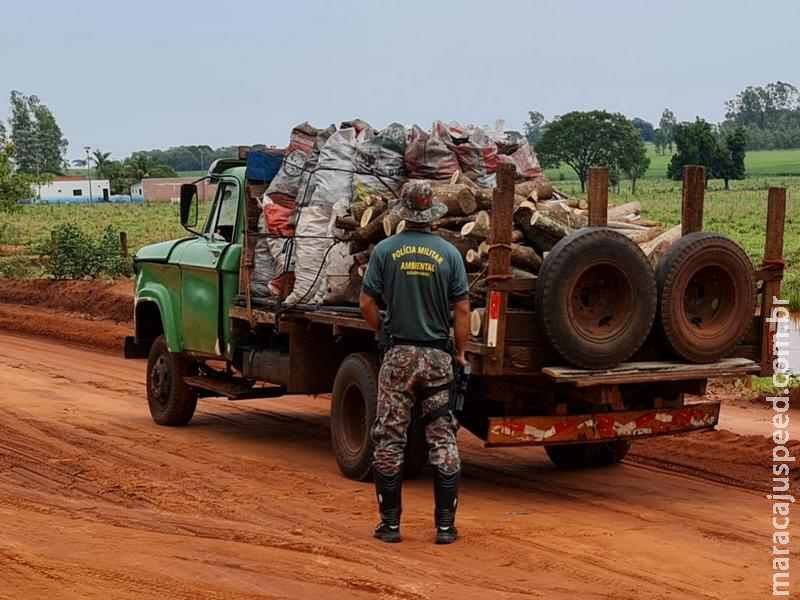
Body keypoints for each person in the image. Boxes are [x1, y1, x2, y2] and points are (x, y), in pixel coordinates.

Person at [359, 182, 470, 545]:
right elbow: (462, 309)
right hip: (437, 358)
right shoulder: (450, 254)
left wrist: (382, 332)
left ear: (404, 213)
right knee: (442, 437)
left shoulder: (385, 250)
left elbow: (366, 303)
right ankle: (445, 527)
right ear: (433, 214)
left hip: (399, 358)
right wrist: (460, 352)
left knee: (390, 437)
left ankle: (390, 525)